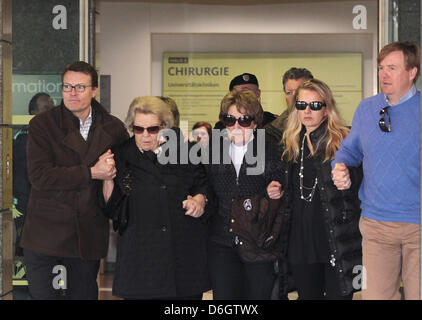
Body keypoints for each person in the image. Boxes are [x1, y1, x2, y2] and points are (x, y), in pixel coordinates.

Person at [21, 61, 129, 300]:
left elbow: (125, 176)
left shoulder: (113, 129)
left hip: (87, 235)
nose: (72, 93)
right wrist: (91, 172)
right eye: (67, 87)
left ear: (94, 90)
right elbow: (40, 176)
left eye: (80, 87)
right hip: (46, 234)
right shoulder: (42, 124)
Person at [332, 41, 421, 300]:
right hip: (376, 224)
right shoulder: (366, 109)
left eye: (392, 68)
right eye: (381, 68)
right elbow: (349, 151)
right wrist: (340, 166)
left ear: (412, 72)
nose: (384, 74)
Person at [102, 96, 210, 300]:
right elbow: (111, 208)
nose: (145, 136)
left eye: (152, 129)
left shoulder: (186, 151)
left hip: (181, 256)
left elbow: (203, 184)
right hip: (140, 258)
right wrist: (107, 178)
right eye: (138, 129)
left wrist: (200, 199)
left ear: (165, 126)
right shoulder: (121, 155)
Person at [273, 78, 362, 300]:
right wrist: (276, 188)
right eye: (302, 105)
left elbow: (361, 183)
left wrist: (349, 178)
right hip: (300, 241)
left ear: (327, 109)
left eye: (315, 105)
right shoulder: (289, 143)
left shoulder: (344, 140)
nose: (307, 111)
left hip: (336, 239)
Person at [206, 90, 283, 299]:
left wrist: (270, 193)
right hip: (222, 241)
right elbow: (206, 189)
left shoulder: (272, 151)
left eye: (245, 120)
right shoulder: (212, 151)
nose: (237, 126)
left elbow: (281, 195)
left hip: (258, 242)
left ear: (255, 123)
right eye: (230, 120)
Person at [13, 92, 55, 257]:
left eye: (52, 108)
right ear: (32, 113)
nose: (50, 112)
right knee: (22, 248)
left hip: (47, 207)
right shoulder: (21, 138)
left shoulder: (55, 138)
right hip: (24, 206)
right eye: (46, 108)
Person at [265, 67, 314, 145]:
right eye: (289, 93)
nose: (294, 97)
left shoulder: (329, 129)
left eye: (299, 91)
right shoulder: (271, 131)